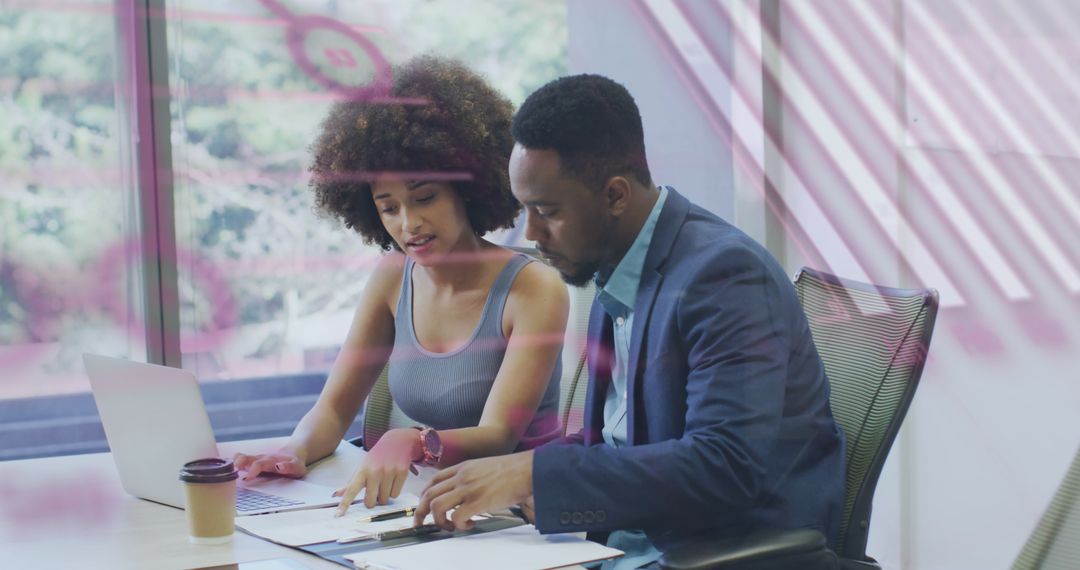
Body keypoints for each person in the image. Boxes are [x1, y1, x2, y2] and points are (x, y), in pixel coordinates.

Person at [412, 74, 846, 568]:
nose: (531, 232)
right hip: (632, 543)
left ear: (615, 195)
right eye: (525, 209)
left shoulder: (724, 276)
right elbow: (623, 441)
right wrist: (517, 477)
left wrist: (536, 474)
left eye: (546, 211)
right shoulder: (617, 264)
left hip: (723, 553)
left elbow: (724, 466)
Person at [234, 56, 568, 516]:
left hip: (515, 513)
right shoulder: (392, 276)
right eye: (389, 208)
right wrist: (294, 451)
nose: (409, 224)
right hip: (427, 505)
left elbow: (498, 437)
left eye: (425, 197)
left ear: (466, 190)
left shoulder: (534, 289)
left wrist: (413, 441)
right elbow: (333, 410)